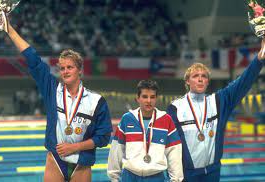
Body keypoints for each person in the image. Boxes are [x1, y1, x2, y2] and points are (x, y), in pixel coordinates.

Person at [0, 18, 113, 181]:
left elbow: (103, 137)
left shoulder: (96, 101)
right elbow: (33, 59)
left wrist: (75, 147)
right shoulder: (53, 90)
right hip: (55, 161)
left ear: (80, 70)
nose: (65, 71)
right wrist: (9, 30)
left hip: (81, 164)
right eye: (62, 68)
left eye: (70, 67)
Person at [167, 38, 265, 182]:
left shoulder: (218, 102)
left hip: (213, 173)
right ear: (187, 81)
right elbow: (170, 145)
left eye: (204, 76)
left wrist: (259, 59)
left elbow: (242, 83)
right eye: (195, 76)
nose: (200, 79)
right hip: (187, 174)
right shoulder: (175, 108)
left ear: (207, 81)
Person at [107, 80, 183, 182]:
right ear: (138, 98)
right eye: (145, 96)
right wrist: (114, 178)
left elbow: (174, 151)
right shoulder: (127, 119)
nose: (148, 101)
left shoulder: (166, 120)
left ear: (156, 99)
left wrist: (176, 179)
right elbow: (116, 150)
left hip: (156, 177)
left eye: (152, 97)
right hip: (130, 176)